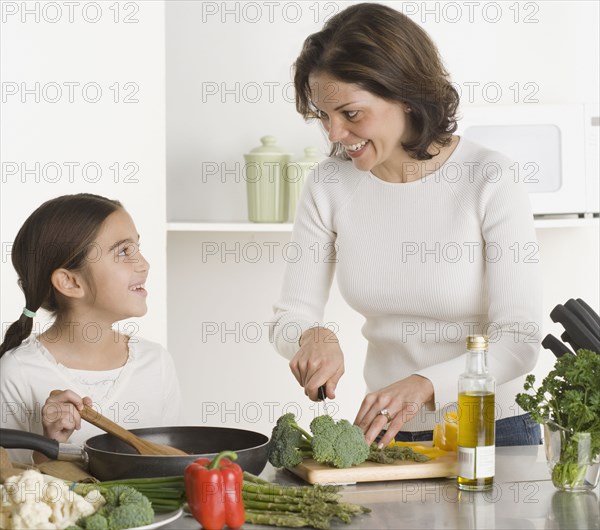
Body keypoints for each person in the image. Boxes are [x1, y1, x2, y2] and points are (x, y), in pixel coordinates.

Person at [270, 3, 543, 448]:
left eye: (351, 114)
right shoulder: (329, 184)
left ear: (406, 97)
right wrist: (313, 337)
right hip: (389, 433)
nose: (334, 133)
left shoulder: (489, 179)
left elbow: (519, 340)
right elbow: (290, 316)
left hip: (494, 428)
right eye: (323, 115)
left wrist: (423, 385)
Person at [0, 194, 183, 462]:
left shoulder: (157, 363)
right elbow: (11, 491)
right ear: (70, 282)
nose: (144, 264)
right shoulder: (18, 372)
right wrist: (48, 447)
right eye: (123, 251)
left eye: (137, 247)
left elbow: (176, 465)